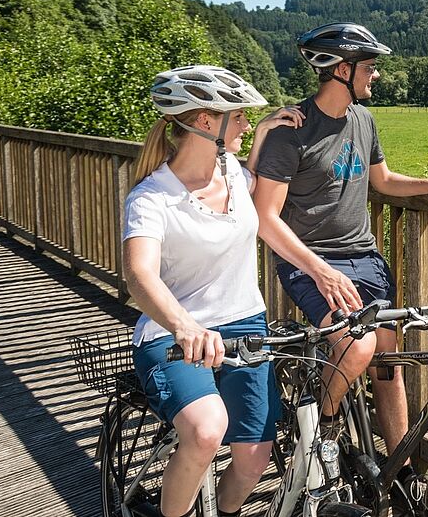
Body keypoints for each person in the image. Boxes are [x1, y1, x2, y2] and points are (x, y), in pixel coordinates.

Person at [249, 22, 428, 507]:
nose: (375, 75)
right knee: (354, 350)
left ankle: (399, 474)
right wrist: (318, 269)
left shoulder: (363, 119)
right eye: (369, 66)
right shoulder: (290, 133)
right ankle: (323, 424)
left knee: (388, 365)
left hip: (365, 260)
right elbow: (265, 219)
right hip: (310, 263)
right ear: (342, 68)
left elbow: (384, 180)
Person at [123, 65, 303, 517]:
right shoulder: (151, 197)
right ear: (205, 122)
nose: (243, 122)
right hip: (173, 335)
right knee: (207, 431)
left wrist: (259, 134)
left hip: (245, 324)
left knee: (254, 456)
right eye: (237, 115)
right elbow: (139, 274)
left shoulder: (236, 176)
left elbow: (258, 192)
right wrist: (185, 327)